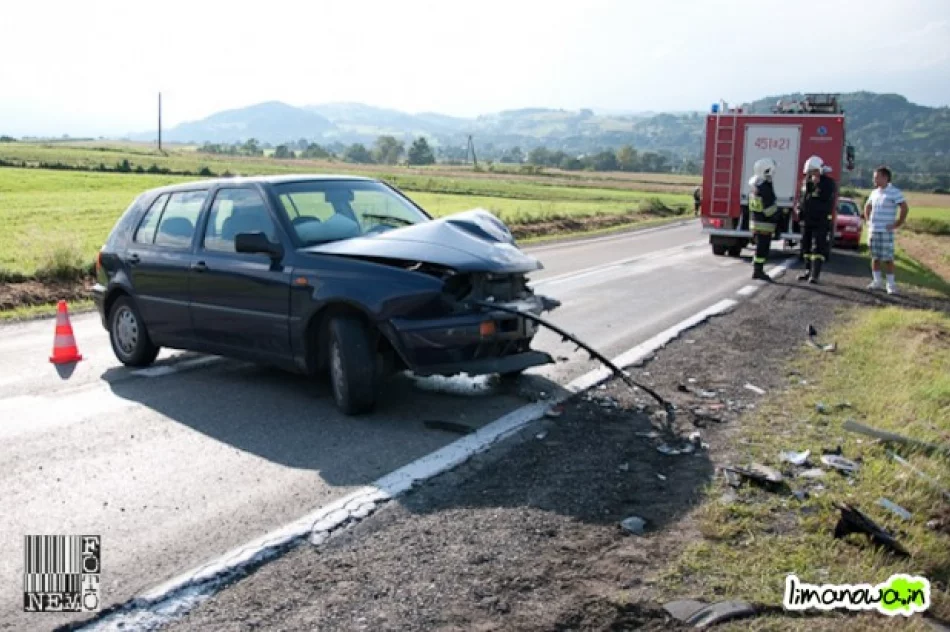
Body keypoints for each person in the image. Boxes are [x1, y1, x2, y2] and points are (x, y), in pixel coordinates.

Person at [864, 166, 909, 294]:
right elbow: (867, 206)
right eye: (874, 177)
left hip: (886, 231)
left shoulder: (894, 192)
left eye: (877, 177)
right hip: (874, 230)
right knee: (875, 257)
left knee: (888, 258)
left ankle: (891, 284)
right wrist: (868, 221)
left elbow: (904, 208)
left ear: (885, 177)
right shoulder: (874, 192)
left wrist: (898, 223)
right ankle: (877, 281)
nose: (874, 180)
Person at [796, 155, 836, 283]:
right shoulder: (805, 182)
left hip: (821, 221)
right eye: (809, 172)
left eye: (812, 171)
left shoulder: (828, 183)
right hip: (806, 220)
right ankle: (807, 271)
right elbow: (803, 198)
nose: (810, 174)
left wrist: (817, 184)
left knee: (817, 248)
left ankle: (815, 274)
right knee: (806, 247)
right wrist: (798, 207)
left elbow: (825, 198)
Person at [747, 158, 779, 281]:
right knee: (762, 249)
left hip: (756, 222)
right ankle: (758, 271)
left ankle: (757, 269)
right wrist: (778, 215)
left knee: (759, 248)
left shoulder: (755, 185)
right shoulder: (765, 187)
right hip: (765, 224)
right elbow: (769, 209)